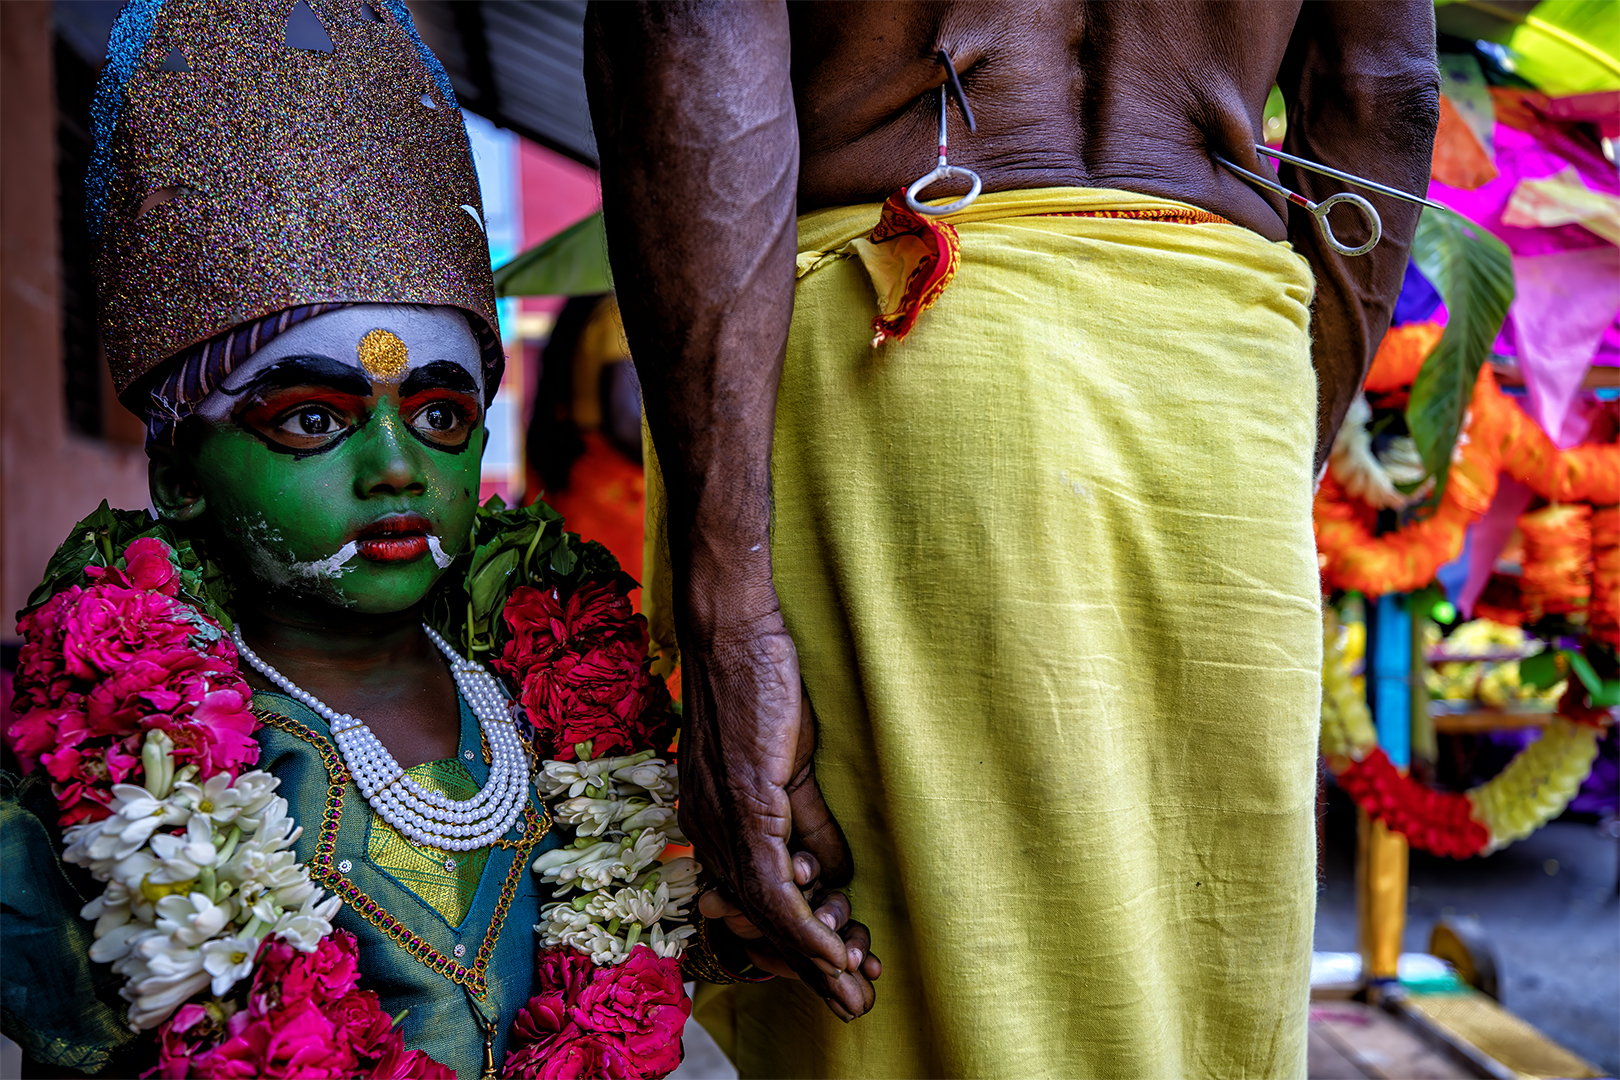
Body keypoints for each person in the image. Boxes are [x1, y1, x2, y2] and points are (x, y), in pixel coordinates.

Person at [1, 3, 864, 1076]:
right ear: (178, 477)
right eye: (314, 418)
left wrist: (703, 941)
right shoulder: (117, 763)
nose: (399, 466)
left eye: (441, 414)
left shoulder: (561, 707)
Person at [586, 2, 1439, 1076]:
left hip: (905, 348)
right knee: (1195, 988)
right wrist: (1283, 441)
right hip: (1224, 375)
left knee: (914, 998)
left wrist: (727, 623)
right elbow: (1383, 86)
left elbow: (690, 23)